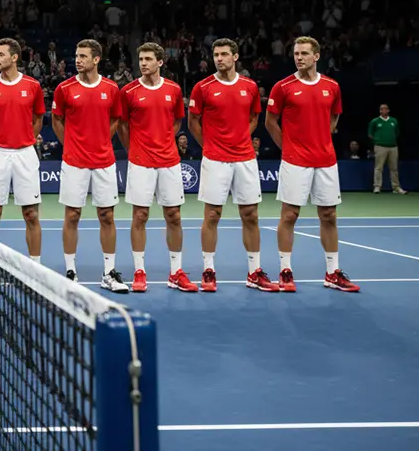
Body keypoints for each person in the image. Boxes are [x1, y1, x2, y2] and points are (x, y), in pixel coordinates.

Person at [266, 37, 359, 292]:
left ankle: (332, 272)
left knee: (329, 215)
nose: (299, 57)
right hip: (295, 161)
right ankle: (285, 271)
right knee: (289, 215)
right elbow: (270, 122)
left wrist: (323, 138)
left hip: (325, 161)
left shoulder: (332, 86)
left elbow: (335, 114)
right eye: (296, 53)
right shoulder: (283, 87)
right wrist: (288, 148)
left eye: (304, 53)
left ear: (316, 56)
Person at [188, 38, 276, 293]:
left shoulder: (249, 86)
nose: (219, 58)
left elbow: (254, 117)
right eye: (216, 54)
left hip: (245, 158)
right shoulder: (202, 87)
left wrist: (242, 137)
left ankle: (254, 271)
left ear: (235, 57)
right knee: (212, 215)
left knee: (251, 215)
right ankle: (208, 270)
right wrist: (209, 145)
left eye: (224, 54)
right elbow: (193, 122)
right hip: (215, 159)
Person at [119, 43, 197, 294]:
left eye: (148, 59)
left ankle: (176, 272)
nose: (143, 63)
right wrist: (134, 149)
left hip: (169, 161)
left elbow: (176, 122)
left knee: (173, 215)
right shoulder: (129, 91)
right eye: (141, 59)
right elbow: (121, 126)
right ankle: (139, 271)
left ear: (160, 62)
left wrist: (163, 140)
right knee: (140, 216)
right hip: (140, 162)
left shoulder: (173, 90)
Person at [52, 39, 129, 293]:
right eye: (77, 55)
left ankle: (109, 272)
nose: (78, 60)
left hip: (104, 161)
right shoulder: (64, 88)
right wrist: (72, 145)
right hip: (74, 162)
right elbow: (57, 120)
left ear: (96, 59)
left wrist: (101, 141)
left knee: (106, 216)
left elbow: (116, 119)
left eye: (83, 56)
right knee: (72, 215)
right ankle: (70, 271)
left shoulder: (111, 88)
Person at [0, 38, 46, 286]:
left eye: (1, 54)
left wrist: (25, 138)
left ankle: (35, 272)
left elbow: (38, 118)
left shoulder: (33, 86)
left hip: (26, 154)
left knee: (31, 214)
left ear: (15, 57)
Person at [368, 103, 404, 194]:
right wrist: (378, 141)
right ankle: (377, 187)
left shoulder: (394, 121)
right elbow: (370, 134)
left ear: (388, 110)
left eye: (385, 109)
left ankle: (396, 187)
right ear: (380, 111)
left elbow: (397, 133)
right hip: (380, 147)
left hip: (393, 147)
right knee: (378, 168)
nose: (383, 110)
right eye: (381, 109)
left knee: (394, 168)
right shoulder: (375, 121)